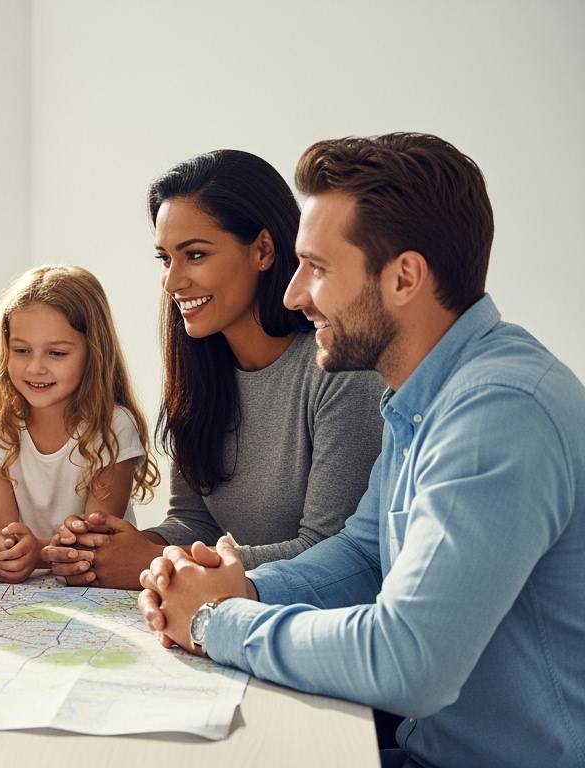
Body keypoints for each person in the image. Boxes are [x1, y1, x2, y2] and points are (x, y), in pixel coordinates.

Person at [138, 133, 585, 768]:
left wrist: (217, 622)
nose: (294, 294)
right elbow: (365, 553)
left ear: (404, 277)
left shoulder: (499, 411)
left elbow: (410, 662)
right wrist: (245, 589)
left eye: (316, 268)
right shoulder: (423, 397)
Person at [43, 150, 384, 589]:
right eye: (165, 259)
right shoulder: (197, 375)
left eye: (196, 255)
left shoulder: (339, 373)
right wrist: (107, 548)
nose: (172, 282)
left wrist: (155, 560)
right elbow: (194, 521)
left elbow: (330, 551)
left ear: (262, 250)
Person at [0, 265, 157, 584]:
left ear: (93, 353)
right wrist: (1, 551)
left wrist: (37, 554)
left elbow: (97, 543)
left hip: (103, 585)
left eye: (56, 353)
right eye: (21, 350)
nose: (35, 367)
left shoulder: (113, 428)